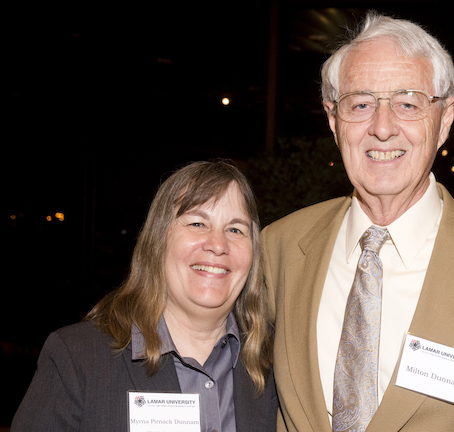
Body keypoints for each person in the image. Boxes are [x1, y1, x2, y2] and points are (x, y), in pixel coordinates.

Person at [261, 11, 454, 432]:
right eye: (361, 104)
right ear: (334, 121)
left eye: (408, 103)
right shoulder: (279, 246)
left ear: (445, 119)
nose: (383, 127)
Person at [12, 161, 278, 432]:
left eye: (235, 229)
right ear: (158, 240)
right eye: (198, 223)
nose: (218, 245)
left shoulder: (277, 364)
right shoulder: (78, 359)